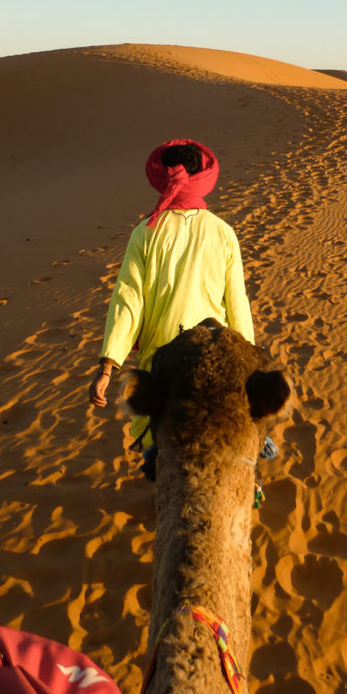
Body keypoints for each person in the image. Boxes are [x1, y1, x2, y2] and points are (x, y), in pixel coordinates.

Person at [88, 139, 254, 474]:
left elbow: (128, 300)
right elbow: (237, 302)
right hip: (214, 352)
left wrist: (108, 366)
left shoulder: (145, 232)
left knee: (159, 443)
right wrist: (249, 361)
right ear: (203, 176)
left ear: (162, 177)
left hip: (161, 354)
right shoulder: (223, 232)